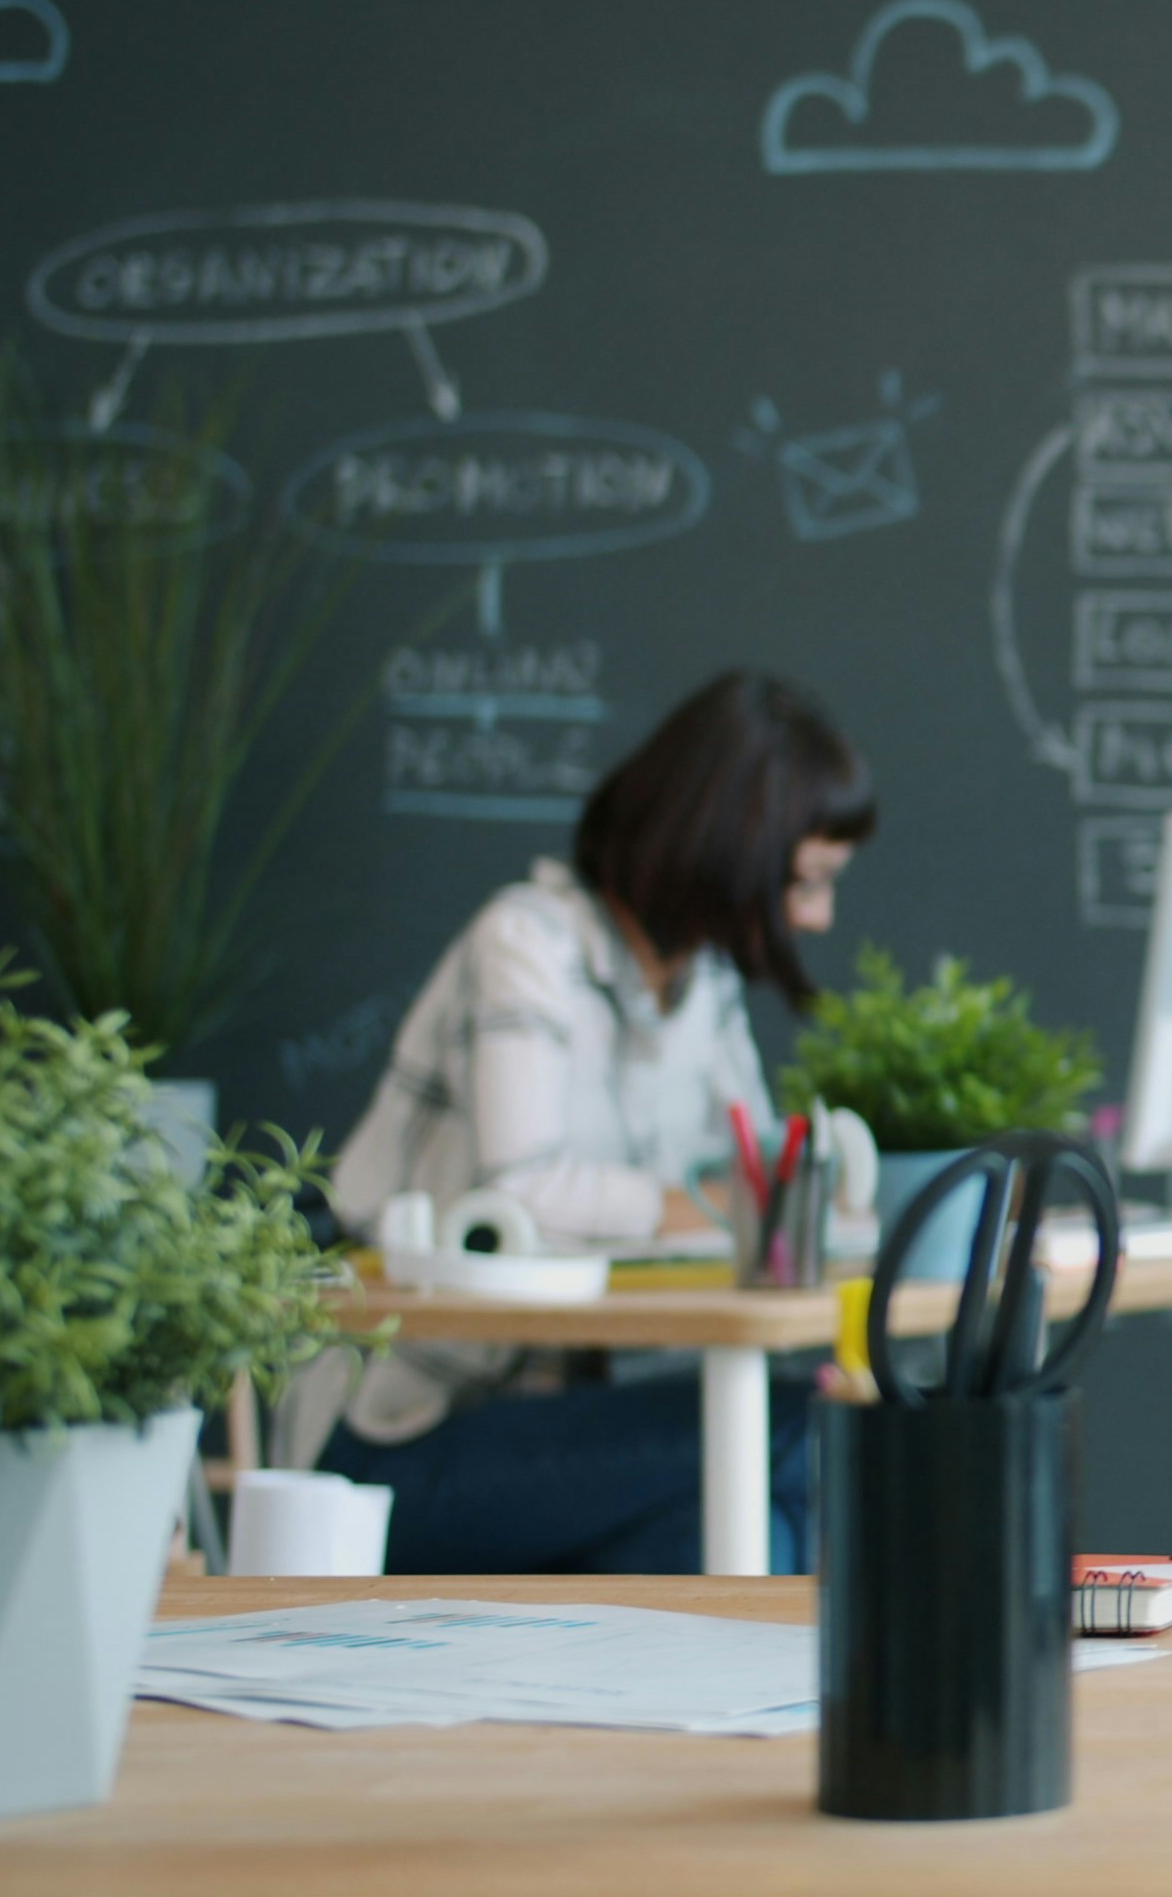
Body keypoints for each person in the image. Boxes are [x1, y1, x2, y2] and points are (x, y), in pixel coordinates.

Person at [285, 670, 876, 1572]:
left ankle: (767, 1718)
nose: (818, 917)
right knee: (811, 1433)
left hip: (561, 1427)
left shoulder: (701, 984)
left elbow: (753, 1179)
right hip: (397, 1440)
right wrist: (719, 1202)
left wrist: (767, 1201)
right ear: (733, 849)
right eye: (808, 881)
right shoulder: (527, 942)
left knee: (741, 1531)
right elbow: (526, 1194)